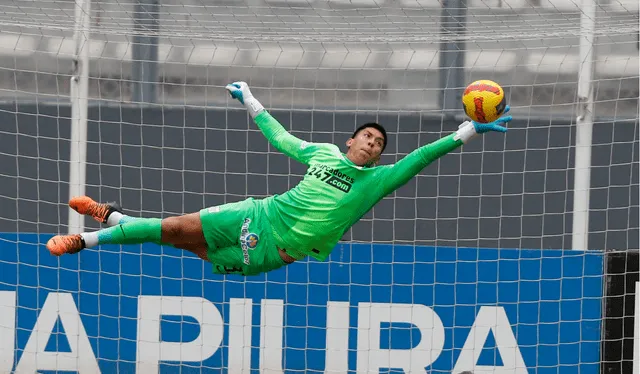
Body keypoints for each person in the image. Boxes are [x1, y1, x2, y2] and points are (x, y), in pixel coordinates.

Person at [46, 81, 511, 276]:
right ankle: (85, 240)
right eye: (366, 137)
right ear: (349, 142)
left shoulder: (377, 181)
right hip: (260, 211)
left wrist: (466, 132)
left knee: (189, 246)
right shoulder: (323, 154)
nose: (373, 143)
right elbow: (281, 137)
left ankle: (114, 217)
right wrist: (249, 97)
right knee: (174, 227)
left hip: (276, 250)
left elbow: (423, 156)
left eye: (379, 143)